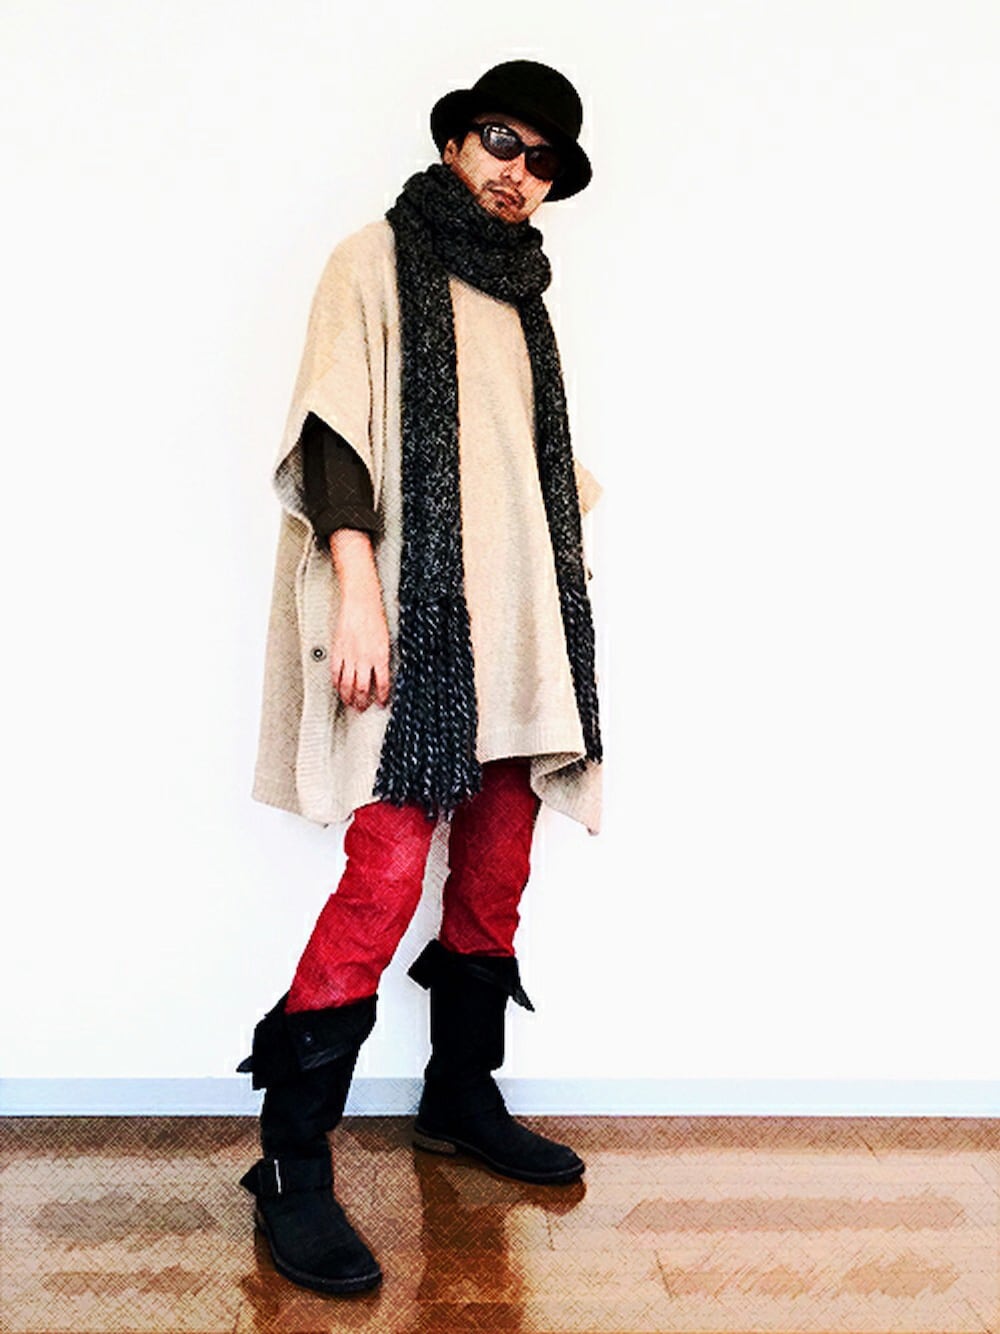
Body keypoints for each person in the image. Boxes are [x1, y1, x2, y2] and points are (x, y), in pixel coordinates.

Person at [236, 59, 604, 1297]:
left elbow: (530, 464)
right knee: (387, 868)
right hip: (409, 621)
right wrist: (359, 590)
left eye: (542, 159)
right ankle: (292, 1160)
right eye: (502, 139)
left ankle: (459, 1094)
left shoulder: (523, 296)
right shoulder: (372, 261)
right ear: (455, 141)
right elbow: (331, 435)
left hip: (518, 625)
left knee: (497, 862)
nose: (517, 170)